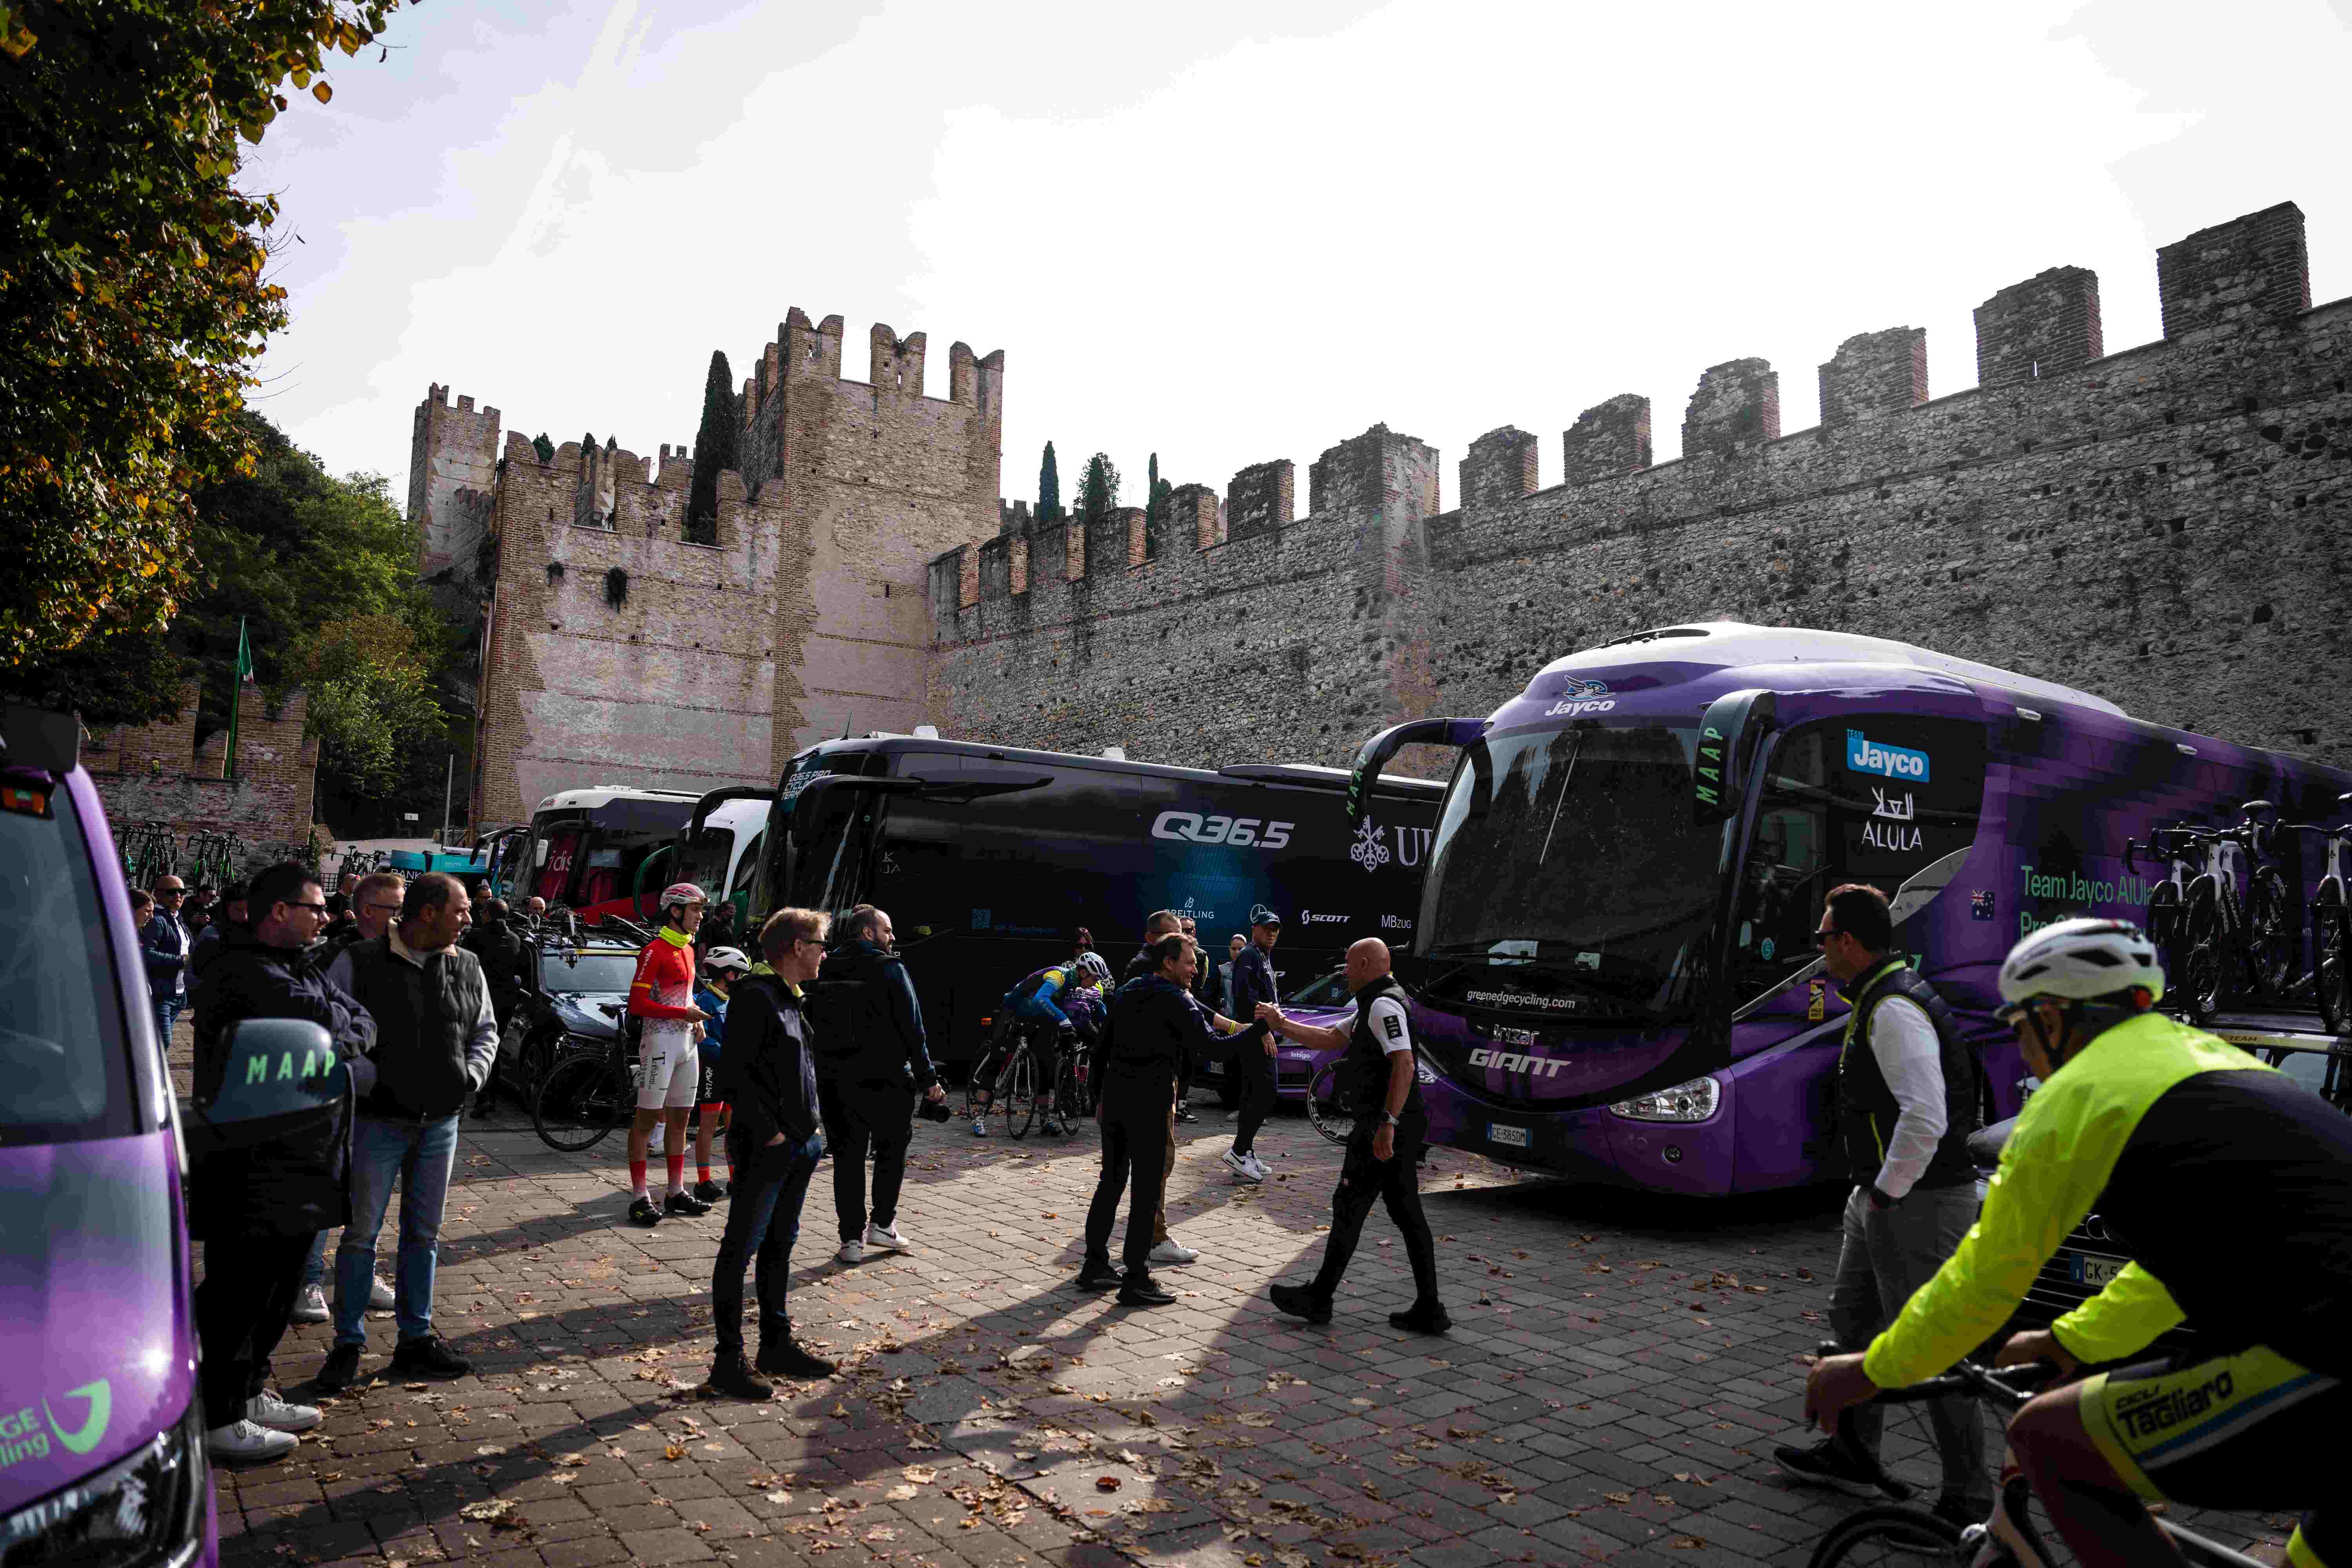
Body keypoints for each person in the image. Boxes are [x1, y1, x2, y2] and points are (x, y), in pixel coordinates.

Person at [1804, 918, 2352, 1568]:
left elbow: (1981, 1286)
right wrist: (2072, 1341)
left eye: (2019, 1030)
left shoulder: (2078, 1094)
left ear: (2051, 1019)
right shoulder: (2217, 1063)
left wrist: (1866, 1371)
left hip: (2322, 1352)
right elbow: (2175, 1272)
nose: (2025, 1054)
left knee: (2048, 1438)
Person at [1771, 884, 1988, 1523]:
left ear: (1848, 942)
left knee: (1932, 1351)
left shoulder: (1893, 1008)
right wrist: (1872, 1192)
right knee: (1854, 1323)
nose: (1818, 948)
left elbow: (1925, 1116)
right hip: (1884, 1195)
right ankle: (1853, 1457)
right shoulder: (1878, 995)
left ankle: (1968, 1499)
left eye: (1823, 937)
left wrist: (1889, 1191)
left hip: (1919, 1201)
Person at [188, 861, 375, 1464]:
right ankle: (219, 1414)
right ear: (278, 912)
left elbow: (361, 1022)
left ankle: (249, 1392)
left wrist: (340, 1042)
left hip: (306, 1154)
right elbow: (327, 1024)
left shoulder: (300, 966)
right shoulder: (242, 971)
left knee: (280, 1288)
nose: (326, 916)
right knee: (240, 1292)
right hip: (252, 1158)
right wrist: (341, 1044)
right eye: (315, 907)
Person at [314, 873, 492, 1390]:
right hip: (376, 1122)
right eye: (461, 909)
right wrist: (364, 1076)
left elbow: (485, 1030)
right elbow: (328, 1031)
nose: (468, 919)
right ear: (428, 913)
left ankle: (415, 1340)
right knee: (360, 1235)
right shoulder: (360, 960)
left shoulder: (468, 964)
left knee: (423, 1235)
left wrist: (471, 1076)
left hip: (441, 1124)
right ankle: (348, 1343)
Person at [1260, 939, 1448, 1331]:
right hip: (1391, 1126)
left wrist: (1388, 1123)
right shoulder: (1371, 1003)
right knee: (1404, 1213)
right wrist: (1282, 1024)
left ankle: (1320, 1298)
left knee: (1350, 1206)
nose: (1344, 971)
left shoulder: (1383, 1005)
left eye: (1348, 964)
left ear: (1364, 964)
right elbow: (1332, 1037)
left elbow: (1405, 1063)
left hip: (1382, 1129)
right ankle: (1430, 1307)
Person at [1078, 933, 1266, 1305]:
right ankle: (1136, 1280)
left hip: (1115, 1100)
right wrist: (1261, 1029)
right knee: (1146, 1192)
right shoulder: (1177, 999)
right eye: (1190, 962)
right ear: (1168, 962)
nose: (1195, 970)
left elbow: (1101, 1049)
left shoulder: (1128, 991)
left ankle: (1094, 1265)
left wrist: (1097, 1098)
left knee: (1111, 1182)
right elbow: (1213, 1048)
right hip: (1149, 1104)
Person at [705, 908, 836, 1399]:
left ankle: (775, 1344)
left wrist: (810, 1132)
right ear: (797, 947)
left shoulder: (790, 997)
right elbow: (734, 1076)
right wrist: (772, 1136)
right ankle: (728, 1359)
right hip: (768, 1148)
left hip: (799, 1144)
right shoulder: (755, 997)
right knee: (741, 1247)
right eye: (821, 944)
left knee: (781, 1244)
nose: (825, 953)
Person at [292, 871, 405, 1323]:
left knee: (370, 1196)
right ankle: (307, 1280)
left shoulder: (405, 954)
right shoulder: (339, 956)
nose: (402, 918)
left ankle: (361, 1274)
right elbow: (325, 1027)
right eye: (395, 909)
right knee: (327, 1190)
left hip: (386, 1098)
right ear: (367, 911)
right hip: (342, 1093)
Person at [807, 906, 948, 1263]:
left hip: (836, 1081)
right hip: (887, 1079)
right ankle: (883, 1225)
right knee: (890, 1153)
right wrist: (929, 1078)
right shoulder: (890, 968)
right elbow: (913, 1026)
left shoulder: (824, 967)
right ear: (869, 933)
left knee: (847, 1158)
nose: (893, 937)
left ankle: (850, 1241)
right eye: (888, 930)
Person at [625, 883, 715, 1225]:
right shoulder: (654, 951)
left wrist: (695, 1019)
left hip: (687, 1044)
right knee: (646, 1122)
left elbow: (685, 995)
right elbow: (637, 1004)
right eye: (696, 910)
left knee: (681, 1121)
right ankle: (640, 1197)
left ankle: (676, 1191)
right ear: (675, 911)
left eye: (702, 910)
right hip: (659, 1042)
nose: (701, 917)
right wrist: (683, 1014)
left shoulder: (688, 949)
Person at [1221, 907, 1284, 1183]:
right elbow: (1246, 999)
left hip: (1258, 1033)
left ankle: (1245, 1152)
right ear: (1254, 930)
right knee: (1266, 1092)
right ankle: (1238, 1151)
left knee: (1252, 1095)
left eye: (1276, 929)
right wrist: (1263, 1031)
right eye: (1267, 928)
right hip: (1256, 1035)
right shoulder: (1249, 955)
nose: (1272, 933)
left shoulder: (1262, 955)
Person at [690, 946, 750, 1202]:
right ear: (729, 974)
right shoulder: (706, 1000)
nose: (742, 979)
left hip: (733, 1071)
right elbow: (702, 1038)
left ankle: (736, 1177)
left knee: (734, 1127)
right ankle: (704, 1181)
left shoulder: (732, 999)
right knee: (708, 1126)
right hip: (714, 1070)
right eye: (740, 974)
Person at [140, 874, 193, 1044]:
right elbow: (147, 954)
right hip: (161, 994)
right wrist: (181, 961)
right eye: (172, 892)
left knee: (159, 1044)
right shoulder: (157, 920)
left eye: (182, 892)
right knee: (162, 1042)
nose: (178, 896)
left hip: (178, 994)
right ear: (158, 894)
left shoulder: (177, 919)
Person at [1218, 934, 1245, 1023]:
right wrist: (1221, 1010)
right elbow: (1214, 997)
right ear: (1229, 949)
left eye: (1241, 949)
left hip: (1246, 1020)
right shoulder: (1222, 970)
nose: (1237, 952)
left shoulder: (1252, 970)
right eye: (1234, 949)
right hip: (1227, 1020)